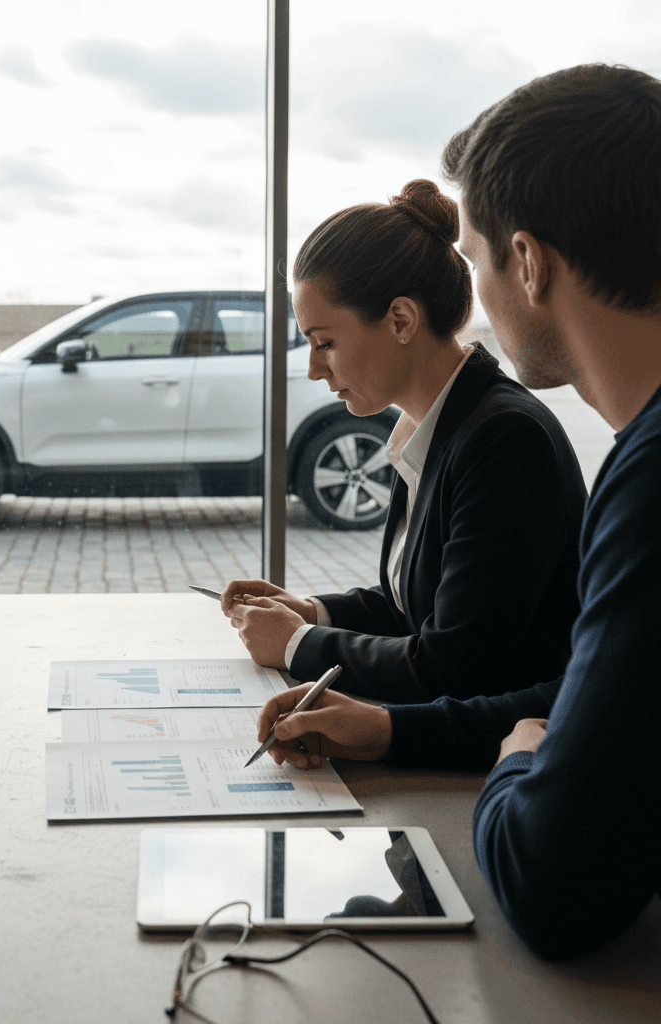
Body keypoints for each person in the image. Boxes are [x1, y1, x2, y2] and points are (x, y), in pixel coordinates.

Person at [255, 63, 661, 961]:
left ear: (529, 262)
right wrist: (392, 726)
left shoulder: (635, 476)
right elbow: (600, 688)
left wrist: (520, 756)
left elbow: (550, 882)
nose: (470, 291)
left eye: (475, 259)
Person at [222, 180, 586, 704]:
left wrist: (297, 645)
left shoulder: (505, 440)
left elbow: (453, 666)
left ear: (400, 320)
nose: (313, 368)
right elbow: (416, 605)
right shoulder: (434, 423)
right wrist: (312, 613)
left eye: (325, 342)